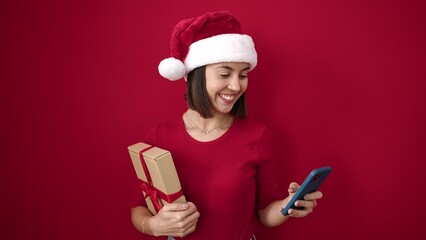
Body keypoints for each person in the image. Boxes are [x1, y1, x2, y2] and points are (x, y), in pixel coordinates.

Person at [131, 10, 323, 239]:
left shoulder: (258, 137)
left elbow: (265, 214)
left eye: (243, 75)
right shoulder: (158, 138)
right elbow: (139, 208)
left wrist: (289, 205)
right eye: (224, 74)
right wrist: (152, 226)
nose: (235, 86)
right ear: (194, 75)